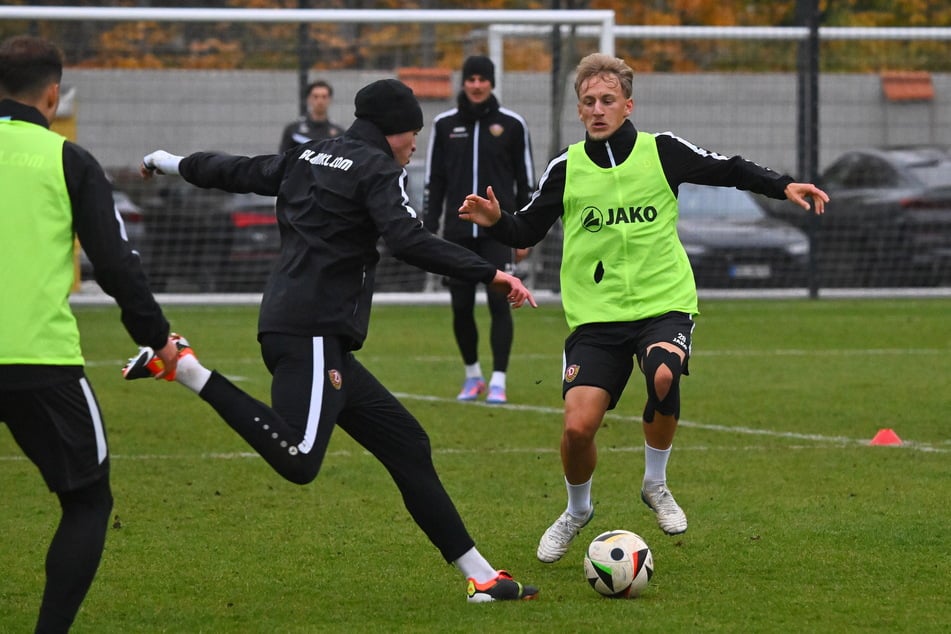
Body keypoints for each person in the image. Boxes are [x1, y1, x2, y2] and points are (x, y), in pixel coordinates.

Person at [125, 78, 540, 603]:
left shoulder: (310, 155)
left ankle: (483, 578)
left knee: (407, 445)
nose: (416, 144)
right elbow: (407, 239)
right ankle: (184, 366)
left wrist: (166, 159)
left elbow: (235, 170)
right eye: (413, 132)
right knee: (300, 457)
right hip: (311, 332)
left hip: (308, 332)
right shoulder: (378, 170)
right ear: (394, 132)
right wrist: (491, 274)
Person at [458, 53, 829, 563]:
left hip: (664, 302)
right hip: (596, 316)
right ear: (579, 109)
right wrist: (497, 219)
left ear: (628, 105)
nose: (597, 109)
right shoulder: (566, 168)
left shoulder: (663, 152)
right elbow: (525, 231)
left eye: (607, 100)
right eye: (588, 101)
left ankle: (655, 484)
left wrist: (782, 184)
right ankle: (577, 510)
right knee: (576, 427)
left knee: (662, 375)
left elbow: (728, 169)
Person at [0, 35, 180, 633]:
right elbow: (117, 264)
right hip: (38, 361)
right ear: (52, 94)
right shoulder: (67, 159)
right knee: (86, 501)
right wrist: (157, 337)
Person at [424, 56, 535, 405]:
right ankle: (473, 375)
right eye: (470, 78)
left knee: (499, 303)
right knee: (461, 307)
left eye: (482, 79)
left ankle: (499, 380)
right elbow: (434, 183)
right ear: (463, 83)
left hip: (499, 233)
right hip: (457, 234)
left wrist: (523, 232)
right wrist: (428, 232)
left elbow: (525, 183)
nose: (476, 85)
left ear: (491, 83)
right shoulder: (444, 125)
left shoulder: (513, 125)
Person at [278, 79, 344, 153]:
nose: (320, 101)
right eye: (316, 97)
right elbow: (282, 159)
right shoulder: (294, 131)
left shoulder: (339, 134)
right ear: (309, 99)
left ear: (330, 99)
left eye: (324, 97)